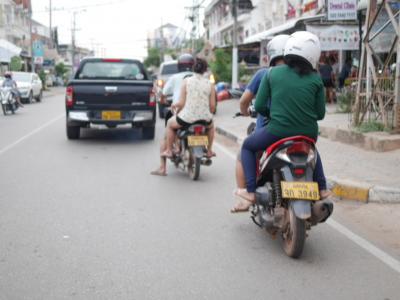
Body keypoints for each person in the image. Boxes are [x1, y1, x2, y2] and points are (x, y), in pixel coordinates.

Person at [232, 31, 329, 212]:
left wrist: (274, 113)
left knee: (247, 146)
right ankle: (322, 188)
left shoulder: (271, 74)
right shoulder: (316, 78)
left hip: (277, 131)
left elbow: (259, 106)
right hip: (308, 133)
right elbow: (320, 114)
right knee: (312, 151)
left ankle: (251, 192)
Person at [235, 34, 290, 191]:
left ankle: (246, 193)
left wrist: (244, 111)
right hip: (299, 129)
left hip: (271, 130)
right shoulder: (301, 74)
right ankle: (321, 187)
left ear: (271, 55)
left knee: (244, 150)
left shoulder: (264, 74)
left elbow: (245, 101)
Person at [161, 57, 216, 159]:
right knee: (212, 126)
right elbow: (212, 106)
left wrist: (175, 105)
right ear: (205, 70)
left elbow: (181, 103)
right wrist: (207, 113)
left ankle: (168, 150)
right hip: (205, 119)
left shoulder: (186, 81)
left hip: (187, 118)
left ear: (193, 68)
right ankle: (209, 150)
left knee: (169, 124)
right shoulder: (210, 84)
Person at [150, 54, 195, 176]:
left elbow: (163, 94)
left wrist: (164, 100)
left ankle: (163, 167)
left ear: (179, 66)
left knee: (166, 134)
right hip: (199, 113)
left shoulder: (175, 78)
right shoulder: (199, 78)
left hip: (181, 113)